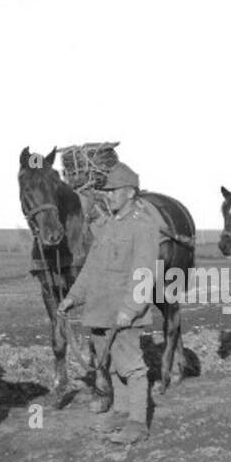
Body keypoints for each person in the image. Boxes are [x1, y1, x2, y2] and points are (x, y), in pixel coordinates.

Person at [58, 162, 160, 445]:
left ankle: (138, 423)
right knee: (113, 365)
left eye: (114, 191)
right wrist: (72, 298)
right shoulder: (106, 226)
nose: (108, 196)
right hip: (100, 311)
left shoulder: (143, 227)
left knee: (132, 367)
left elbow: (143, 274)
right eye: (107, 191)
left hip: (122, 313)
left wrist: (130, 309)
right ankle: (121, 411)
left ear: (130, 192)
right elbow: (90, 269)